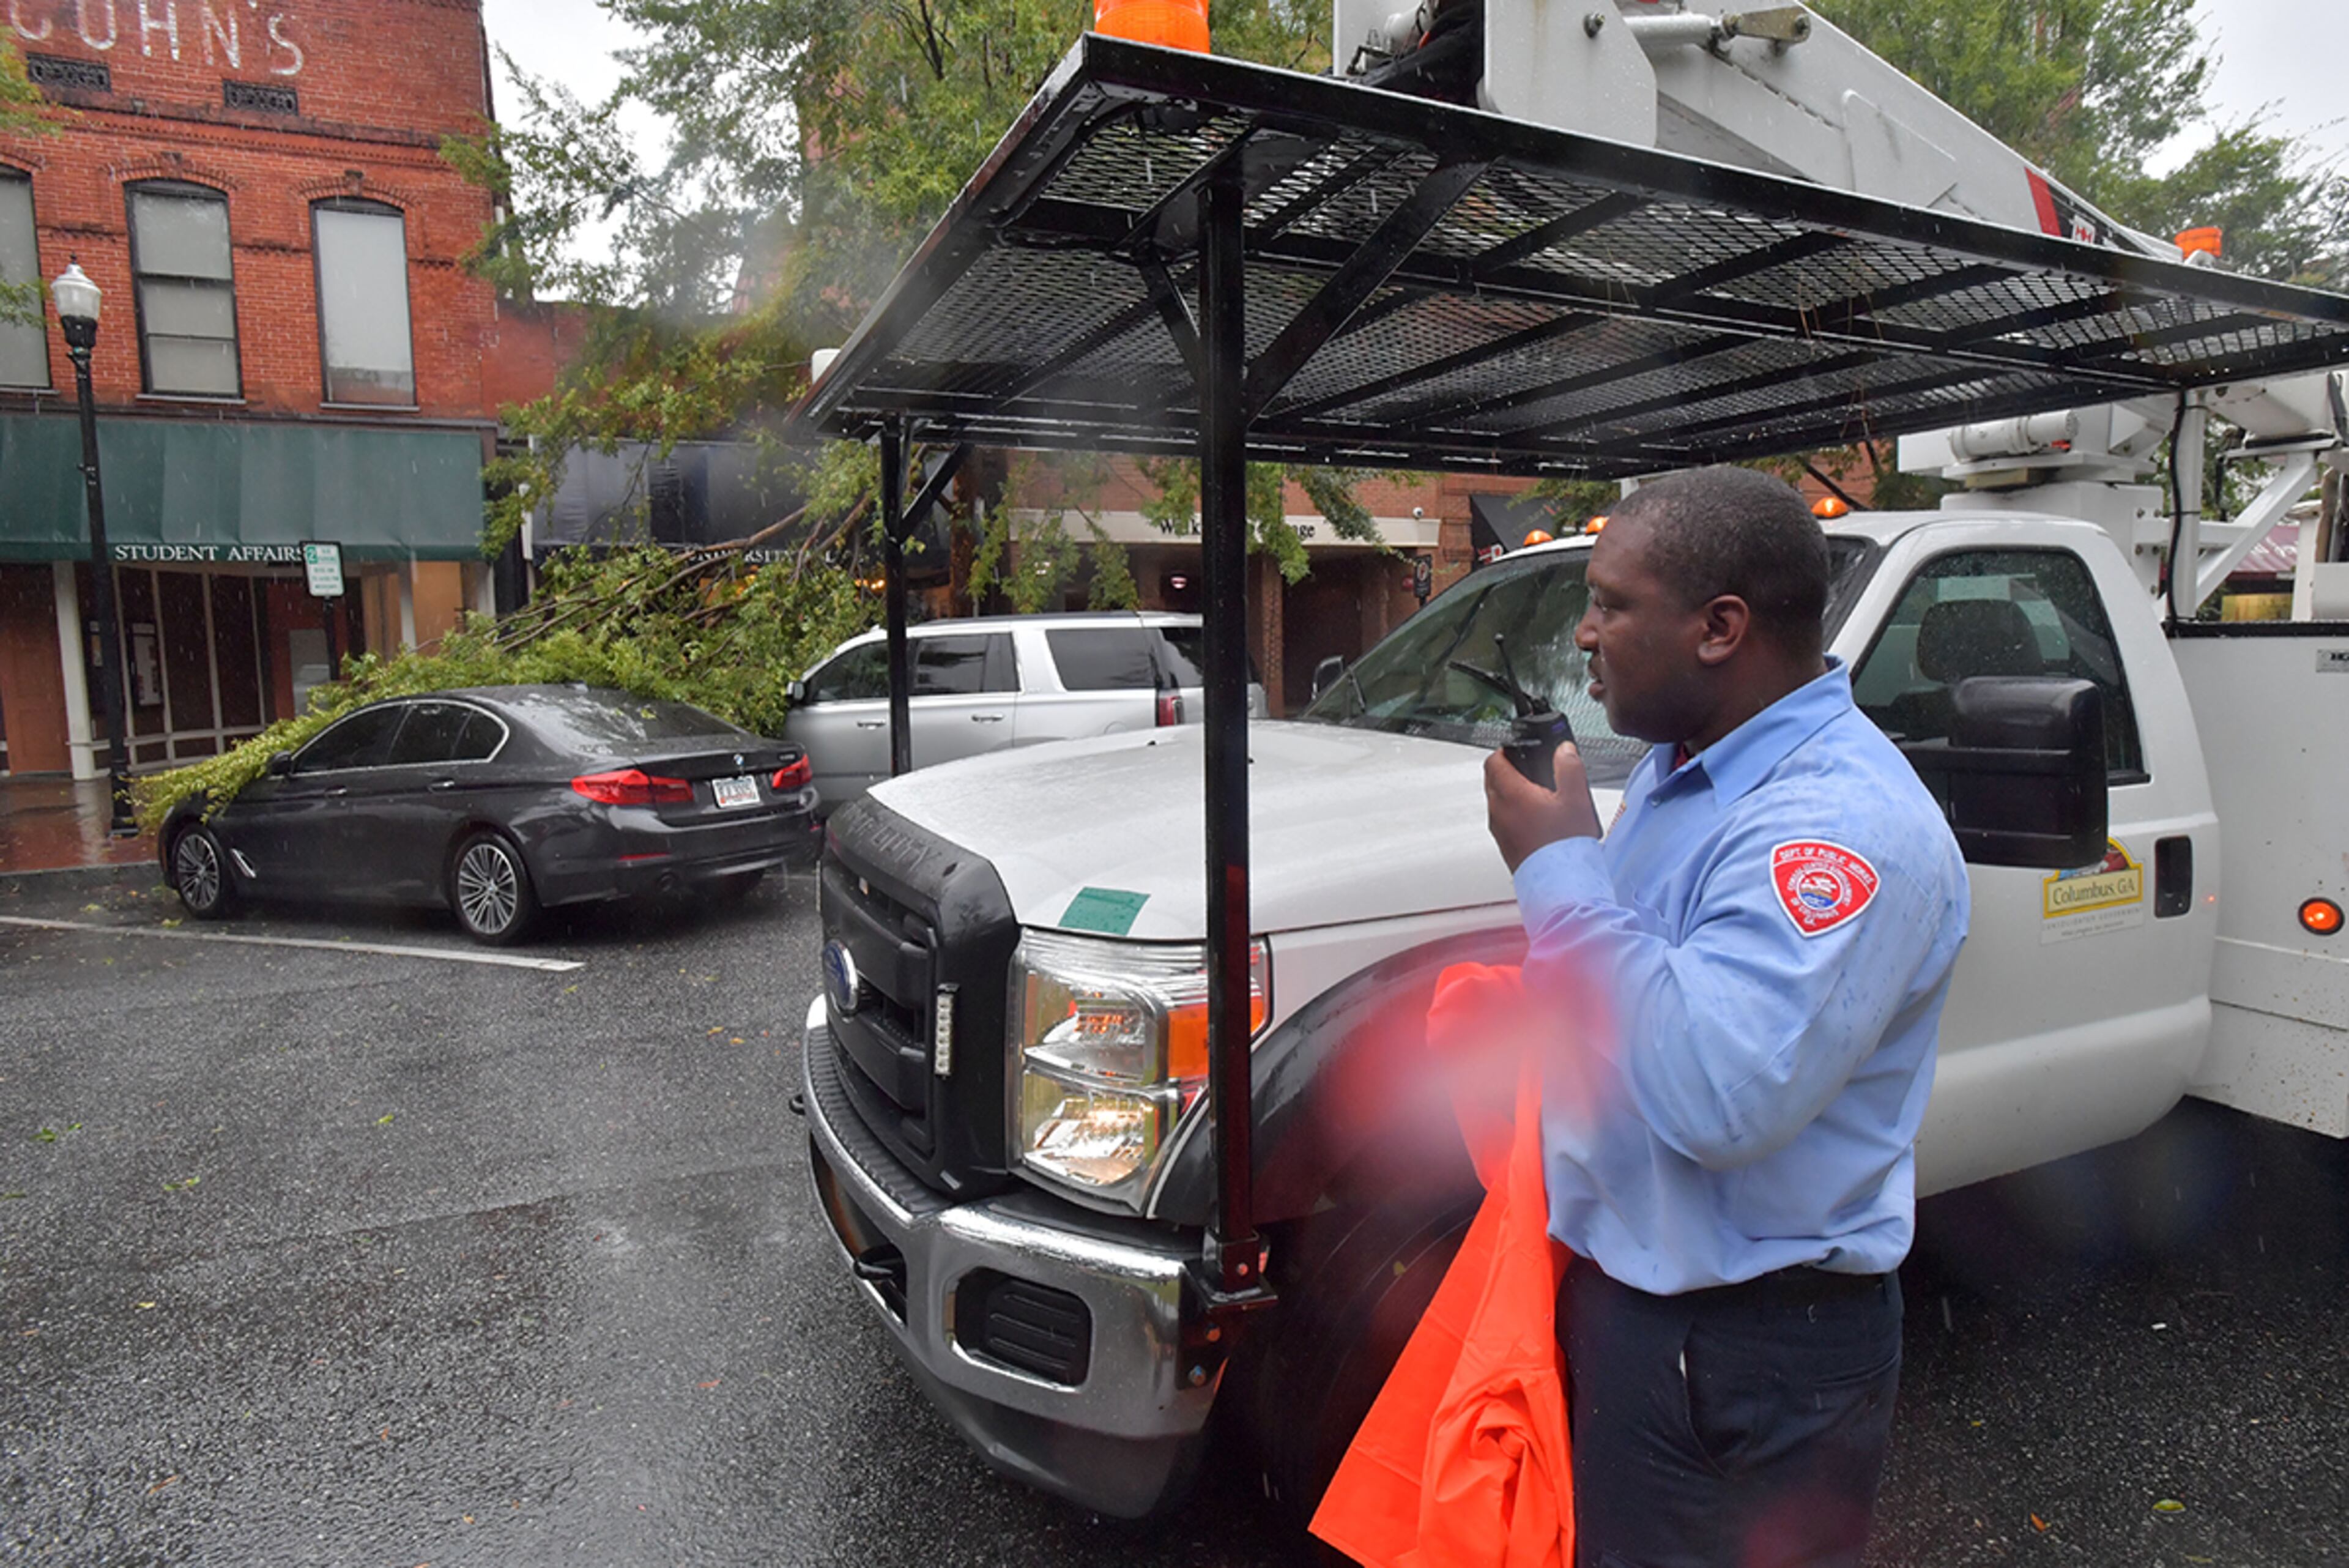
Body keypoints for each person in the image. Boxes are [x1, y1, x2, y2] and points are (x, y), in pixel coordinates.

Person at [1482, 466, 1970, 1568]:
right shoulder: (1684, 767)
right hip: (1648, 1311)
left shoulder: (1835, 825)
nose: (1587, 632)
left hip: (1745, 1347)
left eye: (1611, 603)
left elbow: (1717, 1094)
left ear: (1720, 628)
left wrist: (1558, 874)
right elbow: (1641, 997)